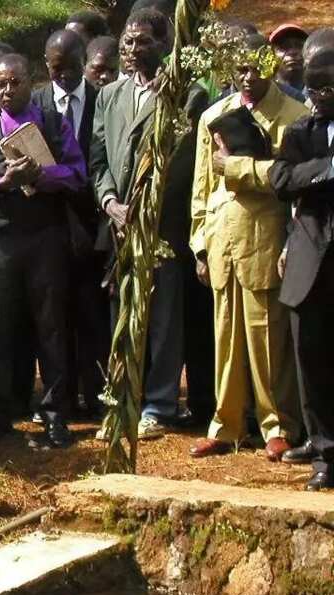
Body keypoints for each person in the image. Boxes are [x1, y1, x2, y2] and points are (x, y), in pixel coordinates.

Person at [0, 53, 85, 448]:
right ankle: (1, 411)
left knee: (51, 325)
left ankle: (53, 414)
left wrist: (43, 175)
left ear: (33, 81)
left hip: (45, 235)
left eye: (16, 82)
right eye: (0, 84)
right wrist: (2, 182)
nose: (8, 90)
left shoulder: (51, 122)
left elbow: (77, 173)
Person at [92, 9, 211, 439]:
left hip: (164, 226)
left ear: (164, 45)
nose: (130, 50)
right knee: (122, 313)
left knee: (161, 318)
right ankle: (123, 398)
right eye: (126, 41)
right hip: (119, 225)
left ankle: (159, 404)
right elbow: (99, 158)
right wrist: (110, 203)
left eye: (142, 42)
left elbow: (184, 166)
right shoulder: (109, 96)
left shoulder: (188, 95)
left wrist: (145, 209)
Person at [189, 34, 306, 462]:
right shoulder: (214, 117)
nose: (248, 76)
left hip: (267, 236)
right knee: (225, 337)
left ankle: (278, 425)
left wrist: (235, 167)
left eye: (256, 67)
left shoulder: (296, 115)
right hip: (222, 239)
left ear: (270, 65)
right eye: (239, 69)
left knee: (267, 337)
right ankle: (226, 425)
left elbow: (289, 178)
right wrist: (200, 244)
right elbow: (202, 187)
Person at [269, 47, 334, 489]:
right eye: (310, 88)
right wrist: (329, 168)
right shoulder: (300, 131)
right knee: (310, 358)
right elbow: (280, 180)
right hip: (309, 262)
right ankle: (324, 450)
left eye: (325, 88)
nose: (316, 97)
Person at [36, 28, 107, 418]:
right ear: (47, 64)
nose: (63, 76)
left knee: (89, 312)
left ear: (85, 63)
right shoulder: (36, 103)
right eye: (56, 68)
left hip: (90, 220)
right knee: (52, 315)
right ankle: (58, 399)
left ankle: (95, 395)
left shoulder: (102, 100)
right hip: (45, 223)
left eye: (72, 68)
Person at [268, 24, 309, 101]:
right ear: (271, 54)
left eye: (299, 46)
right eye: (284, 47)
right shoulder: (264, 90)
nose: (292, 52)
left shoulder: (319, 90)